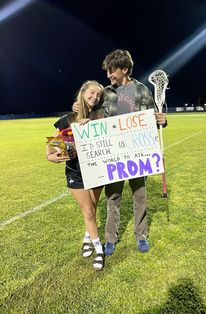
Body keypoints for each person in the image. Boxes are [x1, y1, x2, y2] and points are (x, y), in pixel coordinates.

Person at [73, 50, 167, 256]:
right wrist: (80, 110)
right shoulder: (106, 93)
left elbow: (152, 118)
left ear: (124, 69)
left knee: (140, 196)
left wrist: (162, 120)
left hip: (138, 154)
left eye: (111, 71)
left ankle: (141, 236)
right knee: (112, 197)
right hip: (114, 155)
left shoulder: (142, 91)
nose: (108, 75)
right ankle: (110, 238)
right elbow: (89, 108)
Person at [47, 80, 105, 270]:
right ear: (83, 92)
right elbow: (54, 144)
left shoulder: (101, 116)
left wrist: (92, 126)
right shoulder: (67, 119)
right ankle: (99, 250)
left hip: (97, 171)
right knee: (88, 211)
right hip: (75, 173)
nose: (94, 97)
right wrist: (50, 155)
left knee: (93, 209)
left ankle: (87, 237)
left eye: (98, 95)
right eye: (91, 92)